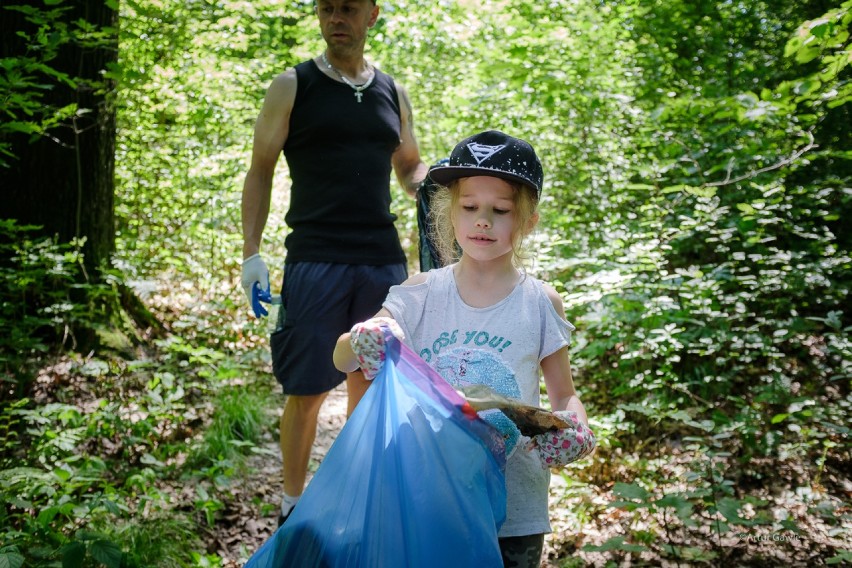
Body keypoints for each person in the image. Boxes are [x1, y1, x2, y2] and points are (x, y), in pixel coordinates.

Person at [333, 130, 596, 568]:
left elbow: (564, 394)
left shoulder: (539, 302)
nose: (483, 221)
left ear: (528, 220)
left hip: (516, 507)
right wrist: (362, 338)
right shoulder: (419, 294)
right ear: (449, 213)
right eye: (470, 207)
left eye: (501, 210)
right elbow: (343, 358)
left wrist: (575, 429)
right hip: (427, 496)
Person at [240, 0, 427, 527]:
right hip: (315, 256)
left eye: (348, 8)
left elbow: (409, 166)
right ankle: (292, 507)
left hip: (381, 260)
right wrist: (251, 253)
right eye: (326, 8)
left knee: (372, 385)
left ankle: (358, 503)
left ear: (373, 15)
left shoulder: (392, 91)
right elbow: (260, 169)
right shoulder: (293, 85)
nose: (335, 18)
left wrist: (434, 188)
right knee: (307, 388)